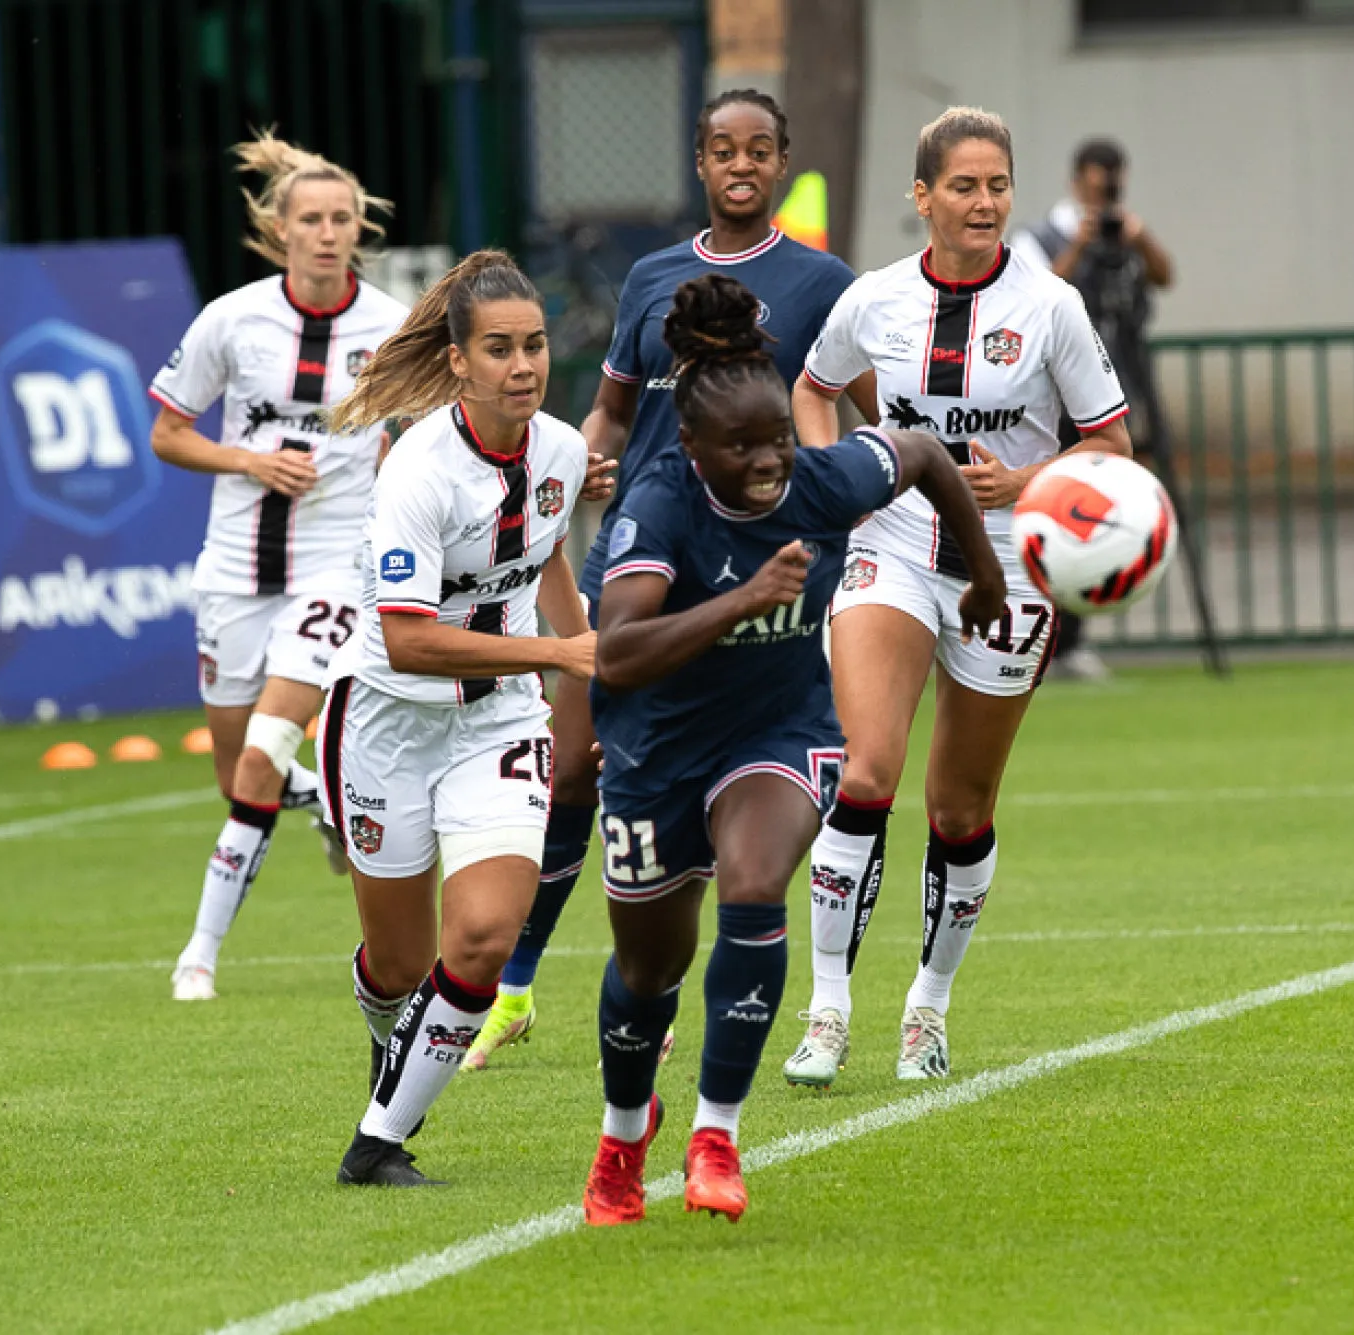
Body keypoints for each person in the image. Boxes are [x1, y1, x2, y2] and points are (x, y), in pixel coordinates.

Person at [461, 88, 879, 1072]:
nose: (741, 164)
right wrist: (581, 467)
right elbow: (609, 413)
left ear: (781, 162)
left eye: (759, 149)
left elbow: (863, 406)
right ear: (699, 162)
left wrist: (834, 505)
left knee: (711, 768)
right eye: (723, 149)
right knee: (571, 768)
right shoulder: (651, 277)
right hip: (634, 555)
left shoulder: (822, 283)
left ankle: (672, 976)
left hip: (742, 565)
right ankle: (514, 989)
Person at [580, 274, 1002, 1225]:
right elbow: (617, 651)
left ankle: (716, 1136)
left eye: (778, 437)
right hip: (656, 750)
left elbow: (922, 454)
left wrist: (982, 572)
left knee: (755, 883)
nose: (771, 460)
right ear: (693, 447)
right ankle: (622, 1136)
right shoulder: (659, 502)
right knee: (647, 971)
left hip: (777, 731)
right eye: (744, 447)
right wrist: (745, 598)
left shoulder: (816, 480)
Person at [782, 107, 1132, 1088]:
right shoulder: (874, 298)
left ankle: (926, 1011)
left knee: (959, 804)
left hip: (1009, 567)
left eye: (997, 185)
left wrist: (1022, 482)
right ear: (922, 196)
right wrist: (836, 479)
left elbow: (1111, 445)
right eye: (964, 186)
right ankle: (826, 1011)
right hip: (891, 547)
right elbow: (813, 387)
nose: (984, 203)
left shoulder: (1051, 306)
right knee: (865, 770)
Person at [317, 250, 603, 1186]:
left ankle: (376, 1144)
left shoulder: (561, 450)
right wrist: (559, 656)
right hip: (387, 722)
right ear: (457, 362)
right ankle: (391, 1038)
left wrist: (585, 666)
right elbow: (407, 642)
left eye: (535, 345)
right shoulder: (417, 470)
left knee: (482, 937)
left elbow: (545, 555)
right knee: (399, 965)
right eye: (499, 349)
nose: (523, 366)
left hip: (499, 722)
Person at [147, 133, 409, 1002]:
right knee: (238, 776)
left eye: (342, 219)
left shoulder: (392, 326)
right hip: (233, 569)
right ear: (280, 229)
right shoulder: (231, 319)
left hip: (334, 567)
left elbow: (425, 430)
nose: (328, 234)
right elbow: (168, 432)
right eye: (312, 220)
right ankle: (331, 799)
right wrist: (249, 461)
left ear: (359, 228)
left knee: (263, 753)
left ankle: (198, 954)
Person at [1012, 137, 1174, 682]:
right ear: (1076, 179)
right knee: (1050, 508)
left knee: (1094, 513)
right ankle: (1037, 635)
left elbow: (1164, 277)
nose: (1104, 189)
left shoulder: (1125, 233)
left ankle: (1073, 640)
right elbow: (1034, 297)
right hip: (1049, 396)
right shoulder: (1040, 236)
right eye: (1097, 177)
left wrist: (1140, 237)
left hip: (1109, 391)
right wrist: (1079, 246)